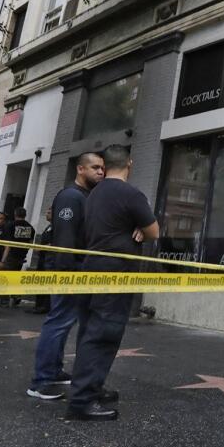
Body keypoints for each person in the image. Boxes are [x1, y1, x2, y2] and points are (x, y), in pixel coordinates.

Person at [65, 145, 158, 421]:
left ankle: (90, 386)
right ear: (129, 163)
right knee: (104, 335)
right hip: (115, 272)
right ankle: (82, 401)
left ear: (104, 166)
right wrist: (141, 227)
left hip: (91, 269)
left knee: (89, 332)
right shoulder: (130, 193)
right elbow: (154, 231)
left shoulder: (94, 194)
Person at [27, 153, 105, 401]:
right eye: (95, 168)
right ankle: (41, 381)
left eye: (102, 168)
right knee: (59, 321)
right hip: (69, 271)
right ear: (80, 169)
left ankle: (53, 370)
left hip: (80, 269)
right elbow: (66, 238)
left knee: (65, 322)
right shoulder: (71, 196)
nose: (100, 172)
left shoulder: (86, 197)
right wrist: (68, 273)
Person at [26, 207, 55, 315]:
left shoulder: (56, 227)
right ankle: (38, 305)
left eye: (49, 212)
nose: (47, 214)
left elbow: (54, 243)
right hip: (42, 258)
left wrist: (42, 247)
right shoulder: (49, 226)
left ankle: (44, 306)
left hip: (49, 259)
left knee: (46, 283)